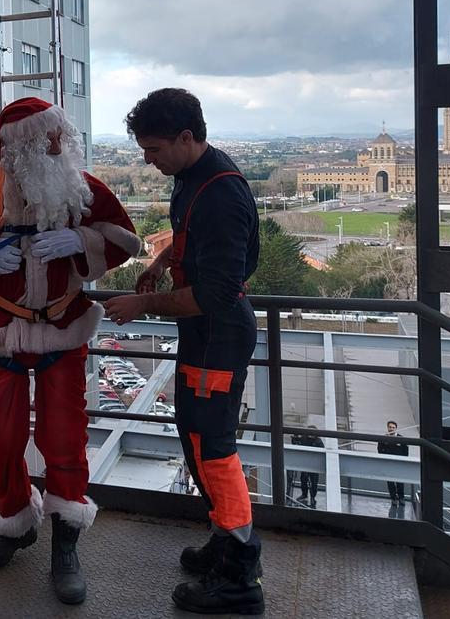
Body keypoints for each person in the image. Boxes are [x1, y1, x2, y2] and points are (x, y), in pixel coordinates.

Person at [0, 97, 141, 604]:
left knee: (63, 438)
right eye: (45, 137)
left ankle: (65, 544)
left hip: (63, 331)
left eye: (58, 136)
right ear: (15, 145)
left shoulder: (79, 186)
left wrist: (80, 240)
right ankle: (16, 522)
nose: (55, 145)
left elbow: (125, 240)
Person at [104, 88, 264, 615]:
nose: (146, 160)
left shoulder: (220, 191)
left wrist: (143, 303)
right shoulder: (195, 175)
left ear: (186, 137)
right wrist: (161, 260)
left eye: (153, 149)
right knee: (196, 438)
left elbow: (218, 291)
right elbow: (189, 234)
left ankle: (240, 574)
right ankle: (224, 541)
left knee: (212, 448)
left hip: (217, 331)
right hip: (205, 331)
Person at [377, 420, 409, 504]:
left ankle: (401, 498)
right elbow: (379, 450)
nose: (391, 429)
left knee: (400, 482)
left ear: (396, 428)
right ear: (387, 428)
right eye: (390, 427)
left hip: (399, 464)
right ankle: (393, 498)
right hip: (388, 464)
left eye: (393, 427)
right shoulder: (383, 439)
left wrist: (403, 461)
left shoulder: (401, 439)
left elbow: (406, 451)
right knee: (390, 482)